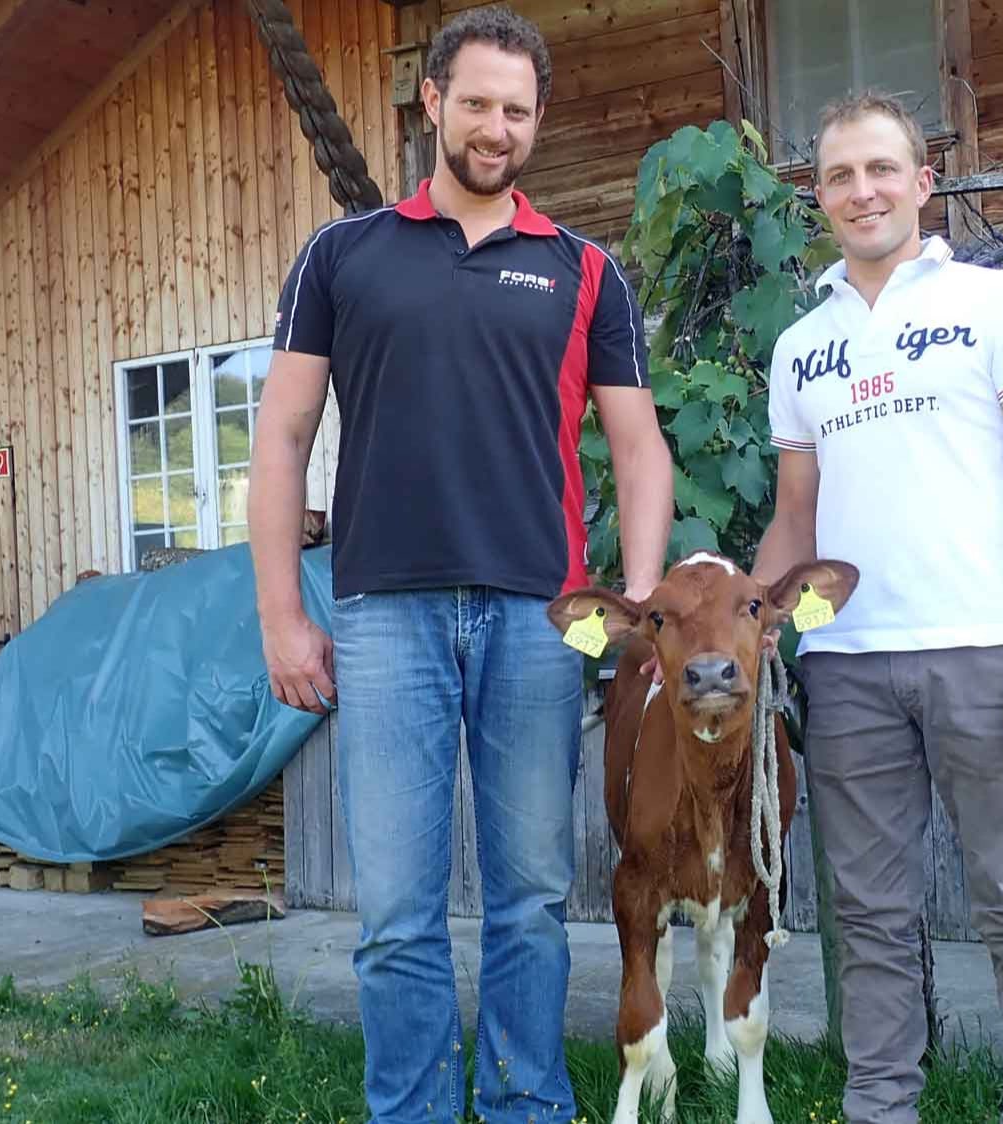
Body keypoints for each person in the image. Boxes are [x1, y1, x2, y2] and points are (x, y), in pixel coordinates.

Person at [245, 7, 674, 1122]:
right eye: (476, 102)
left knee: (531, 898)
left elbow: (638, 448)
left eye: (517, 109)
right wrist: (280, 616)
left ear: (536, 122)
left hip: (541, 619)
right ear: (431, 102)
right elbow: (282, 438)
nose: (496, 126)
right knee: (394, 908)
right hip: (385, 616)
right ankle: (415, 1109)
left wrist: (629, 604)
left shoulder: (582, 271)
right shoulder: (342, 258)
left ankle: (529, 1103)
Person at [750, 90, 1003, 1124]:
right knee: (869, 915)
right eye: (840, 176)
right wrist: (747, 611)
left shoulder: (995, 303)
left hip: (986, 652)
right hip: (846, 662)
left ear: (922, 182)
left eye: (880, 169)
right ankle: (879, 1105)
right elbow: (795, 518)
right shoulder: (799, 346)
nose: (862, 191)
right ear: (819, 196)